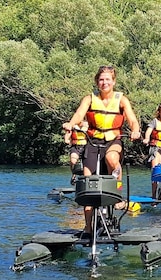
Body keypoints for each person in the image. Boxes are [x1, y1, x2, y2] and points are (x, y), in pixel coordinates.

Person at [62, 66, 141, 239]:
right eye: (101, 80)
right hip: (92, 142)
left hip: (113, 140)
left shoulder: (122, 100)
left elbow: (133, 120)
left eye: (108, 79)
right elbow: (78, 115)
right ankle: (88, 228)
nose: (104, 83)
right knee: (88, 186)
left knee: (112, 158)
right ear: (97, 82)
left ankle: (118, 195)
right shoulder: (89, 99)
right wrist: (70, 124)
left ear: (113, 81)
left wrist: (135, 130)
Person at [64, 120, 89, 185]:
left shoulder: (88, 125)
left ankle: (87, 179)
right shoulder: (73, 126)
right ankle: (73, 175)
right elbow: (68, 133)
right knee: (73, 161)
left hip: (86, 146)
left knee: (87, 163)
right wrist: (66, 139)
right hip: (75, 146)